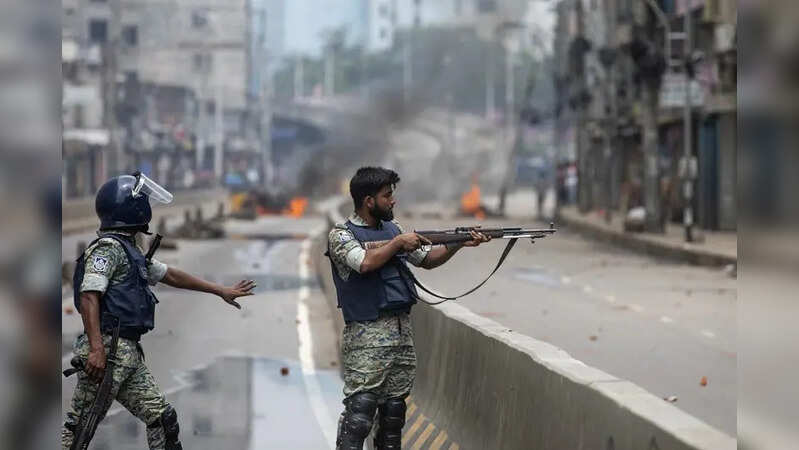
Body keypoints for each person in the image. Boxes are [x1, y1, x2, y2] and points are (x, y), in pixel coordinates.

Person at [62, 173, 256, 450]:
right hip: (107, 354)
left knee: (163, 420)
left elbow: (170, 275)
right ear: (130, 208)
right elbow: (89, 295)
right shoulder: (107, 248)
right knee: (78, 432)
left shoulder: (130, 250)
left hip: (126, 356)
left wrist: (219, 290)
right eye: (141, 201)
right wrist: (96, 350)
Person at [327, 167, 490, 449]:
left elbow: (426, 259)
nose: (393, 201)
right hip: (367, 338)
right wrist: (398, 243)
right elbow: (364, 262)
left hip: (402, 337)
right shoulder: (342, 235)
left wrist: (459, 243)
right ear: (368, 201)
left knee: (393, 417)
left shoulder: (394, 230)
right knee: (360, 416)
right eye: (387, 196)